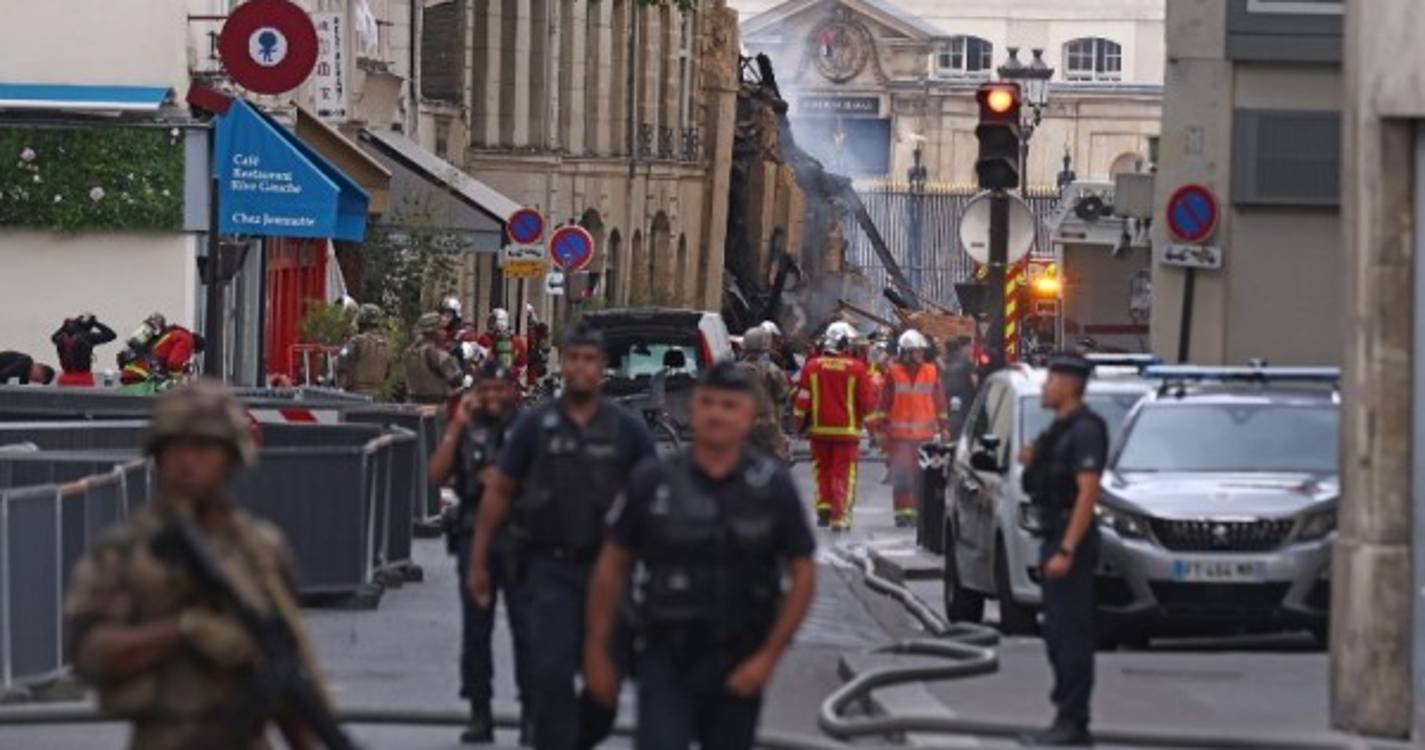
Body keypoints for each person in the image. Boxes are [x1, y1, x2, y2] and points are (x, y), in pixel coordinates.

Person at [63, 381, 331, 749]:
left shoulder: (261, 550)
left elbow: (284, 673)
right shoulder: (125, 550)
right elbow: (88, 654)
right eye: (176, 447)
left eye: (204, 447)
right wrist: (185, 631)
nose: (188, 462)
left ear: (231, 456)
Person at [583, 361, 817, 750]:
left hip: (739, 658)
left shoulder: (771, 487)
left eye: (729, 405)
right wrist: (597, 649)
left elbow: (803, 575)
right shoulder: (653, 480)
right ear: (691, 410)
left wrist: (768, 659)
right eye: (708, 403)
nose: (717, 414)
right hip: (665, 655)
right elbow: (612, 565)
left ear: (749, 417)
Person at [468, 326, 656, 750]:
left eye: (589, 360)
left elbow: (654, 497)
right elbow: (501, 491)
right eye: (573, 359)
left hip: (609, 571)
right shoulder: (536, 425)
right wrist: (480, 559)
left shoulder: (627, 430)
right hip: (548, 569)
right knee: (549, 672)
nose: (580, 368)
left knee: (604, 685)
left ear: (602, 368)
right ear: (563, 363)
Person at [429, 362, 532, 744]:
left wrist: (510, 482)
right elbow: (436, 476)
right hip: (474, 538)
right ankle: (479, 710)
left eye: (500, 389)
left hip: (520, 537)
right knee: (476, 632)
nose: (493, 397)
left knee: (527, 630)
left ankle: (532, 712)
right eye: (485, 389)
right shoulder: (468, 429)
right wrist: (455, 425)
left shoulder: (529, 430)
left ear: (512, 391)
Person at [1017, 353, 1108, 747]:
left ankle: (1074, 723)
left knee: (1070, 634)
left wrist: (1068, 549)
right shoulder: (1060, 429)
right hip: (1053, 535)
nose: (1045, 387)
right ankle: (1064, 718)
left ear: (1070, 385)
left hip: (1070, 541)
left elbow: (1088, 492)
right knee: (1055, 633)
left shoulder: (1086, 430)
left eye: (1051, 380)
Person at [793, 321, 875, 531]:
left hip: (819, 432)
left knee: (822, 470)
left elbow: (802, 400)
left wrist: (798, 425)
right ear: (844, 344)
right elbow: (866, 403)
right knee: (843, 474)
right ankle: (840, 517)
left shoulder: (812, 367)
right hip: (846, 433)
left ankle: (824, 508)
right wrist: (875, 431)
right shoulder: (857, 369)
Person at [870, 329, 950, 528]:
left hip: (925, 436)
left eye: (921, 351)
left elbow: (940, 402)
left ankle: (917, 514)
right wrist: (879, 430)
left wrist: (944, 427)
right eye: (916, 351)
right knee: (902, 475)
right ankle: (902, 514)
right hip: (900, 437)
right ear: (906, 352)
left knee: (921, 477)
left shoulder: (931, 371)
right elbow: (883, 404)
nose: (920, 355)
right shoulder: (893, 373)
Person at [736, 326, 790, 462]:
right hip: (767, 423)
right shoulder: (771, 369)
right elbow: (783, 393)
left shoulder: (734, 370)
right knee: (777, 459)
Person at [405, 312, 465, 406]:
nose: (444, 332)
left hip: (412, 405)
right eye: (441, 329)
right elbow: (457, 380)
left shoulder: (409, 352)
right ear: (433, 332)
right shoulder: (437, 354)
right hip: (436, 407)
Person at [336, 304, 391, 399]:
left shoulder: (356, 341)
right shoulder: (385, 343)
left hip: (355, 394)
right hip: (377, 394)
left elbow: (342, 363)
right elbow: (387, 372)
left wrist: (340, 388)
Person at [51, 313, 117, 387]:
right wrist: (95, 323)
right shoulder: (88, 336)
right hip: (84, 379)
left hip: (65, 378)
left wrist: (70, 324)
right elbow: (111, 335)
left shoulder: (61, 338)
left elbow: (53, 337)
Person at [940, 336, 979, 438]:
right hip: (964, 404)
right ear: (963, 348)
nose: (971, 350)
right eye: (970, 347)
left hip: (948, 404)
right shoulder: (967, 365)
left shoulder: (945, 362)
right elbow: (975, 382)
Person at [477, 308, 529, 382]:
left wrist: (512, 373)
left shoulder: (516, 341)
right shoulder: (484, 339)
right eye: (491, 321)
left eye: (493, 321)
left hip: (503, 383)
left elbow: (522, 364)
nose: (491, 324)